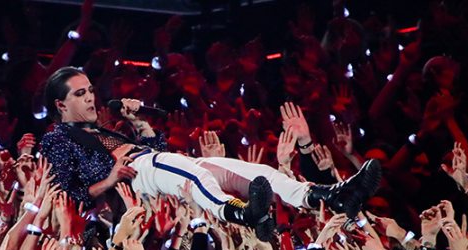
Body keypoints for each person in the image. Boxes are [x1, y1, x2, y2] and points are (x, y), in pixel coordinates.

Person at [40, 66, 382, 240]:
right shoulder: (57, 140)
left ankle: (325, 195)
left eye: (91, 91)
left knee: (242, 171)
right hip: (132, 188)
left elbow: (159, 155)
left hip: (149, 170)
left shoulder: (102, 130)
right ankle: (241, 214)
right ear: (60, 105)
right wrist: (111, 178)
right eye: (80, 94)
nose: (90, 98)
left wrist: (140, 125)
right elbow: (70, 195)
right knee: (198, 174)